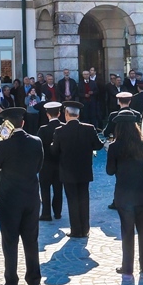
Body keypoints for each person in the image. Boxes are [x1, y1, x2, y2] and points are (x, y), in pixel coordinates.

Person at [0, 107, 43, 285]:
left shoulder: (3, 145)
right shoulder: (36, 142)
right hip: (31, 197)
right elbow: (38, 166)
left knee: (10, 241)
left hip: (9, 199)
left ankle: (11, 283)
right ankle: (34, 280)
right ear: (23, 123)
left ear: (7, 125)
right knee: (31, 240)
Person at [107, 116, 143, 275]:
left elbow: (109, 171)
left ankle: (127, 267)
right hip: (142, 193)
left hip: (123, 194)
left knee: (127, 231)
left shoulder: (114, 146)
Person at [51, 101, 103, 238]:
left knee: (72, 200)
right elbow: (98, 145)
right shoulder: (89, 128)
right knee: (84, 198)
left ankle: (76, 229)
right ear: (78, 115)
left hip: (67, 171)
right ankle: (85, 228)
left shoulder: (59, 131)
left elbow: (54, 151)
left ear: (66, 114)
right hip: (84, 170)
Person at [36, 102, 64, 221]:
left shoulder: (43, 129)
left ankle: (46, 213)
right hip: (59, 163)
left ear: (47, 114)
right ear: (59, 113)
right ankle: (57, 212)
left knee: (45, 189)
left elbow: (38, 147)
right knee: (58, 189)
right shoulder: (64, 127)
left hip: (46, 163)